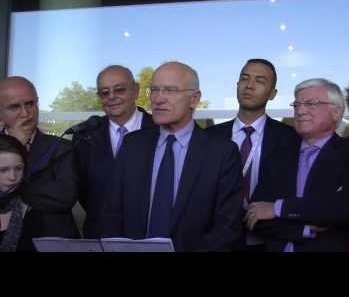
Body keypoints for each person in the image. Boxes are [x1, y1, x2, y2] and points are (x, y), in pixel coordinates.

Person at [101, 61, 244, 251]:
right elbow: (112, 213)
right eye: (154, 90)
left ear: (194, 99)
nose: (158, 99)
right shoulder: (132, 145)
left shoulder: (222, 152)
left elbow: (228, 227)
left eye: (169, 90)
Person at [245, 78, 349, 251]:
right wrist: (303, 229)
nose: (300, 110)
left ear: (336, 112)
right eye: (297, 104)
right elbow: (256, 215)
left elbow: (344, 210)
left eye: (310, 103)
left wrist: (278, 208)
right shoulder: (278, 156)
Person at [206, 58, 299, 251]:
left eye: (260, 81)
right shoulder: (208, 137)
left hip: (267, 240)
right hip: (215, 240)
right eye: (245, 78)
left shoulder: (291, 139)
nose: (249, 85)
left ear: (272, 94)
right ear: (237, 85)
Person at [74, 65, 156, 238]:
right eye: (104, 92)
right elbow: (83, 191)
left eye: (119, 90)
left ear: (135, 91)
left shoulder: (160, 130)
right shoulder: (85, 136)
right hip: (100, 235)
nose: (111, 97)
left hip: (149, 235)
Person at [0, 76, 79, 240]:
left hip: (52, 241)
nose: (26, 113)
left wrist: (10, 184)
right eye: (15, 107)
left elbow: (64, 198)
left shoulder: (62, 148)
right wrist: (15, 148)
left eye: (30, 104)